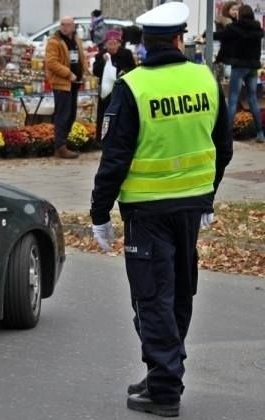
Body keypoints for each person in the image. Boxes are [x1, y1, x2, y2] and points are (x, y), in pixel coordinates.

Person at [90, 2, 233, 417]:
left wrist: (100, 214)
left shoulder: (133, 87)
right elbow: (223, 145)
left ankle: (165, 390)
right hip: (190, 210)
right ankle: (162, 372)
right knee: (178, 296)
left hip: (147, 213)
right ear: (178, 39)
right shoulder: (204, 78)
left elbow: (114, 158)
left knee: (153, 298)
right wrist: (207, 196)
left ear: (144, 46)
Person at [214, 4, 264, 142]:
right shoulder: (257, 28)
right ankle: (260, 133)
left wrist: (206, 34)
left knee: (233, 100)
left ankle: (227, 134)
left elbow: (220, 35)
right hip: (253, 67)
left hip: (239, 66)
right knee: (253, 99)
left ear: (240, 14)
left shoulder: (235, 28)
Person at [45, 15, 88, 159]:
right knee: (62, 115)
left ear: (73, 26)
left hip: (74, 84)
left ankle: (63, 143)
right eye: (62, 24)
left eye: (68, 24)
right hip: (62, 83)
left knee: (71, 115)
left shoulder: (76, 39)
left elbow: (81, 57)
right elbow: (51, 63)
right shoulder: (54, 41)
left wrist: (84, 72)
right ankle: (60, 147)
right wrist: (68, 74)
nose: (65, 27)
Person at [92, 29, 136, 145]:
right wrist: (103, 62)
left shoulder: (126, 54)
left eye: (114, 43)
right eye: (109, 44)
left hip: (121, 88)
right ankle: (101, 139)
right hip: (106, 91)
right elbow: (95, 71)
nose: (112, 47)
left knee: (122, 113)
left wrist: (124, 72)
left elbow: (133, 69)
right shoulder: (101, 55)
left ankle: (121, 137)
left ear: (119, 43)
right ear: (105, 44)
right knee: (104, 114)